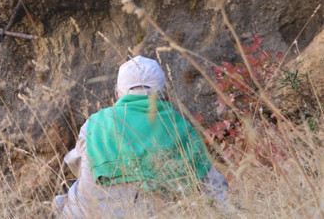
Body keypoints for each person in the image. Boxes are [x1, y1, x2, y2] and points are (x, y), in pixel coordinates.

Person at [53, 56, 229, 218]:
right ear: (165, 96)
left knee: (64, 197)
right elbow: (216, 190)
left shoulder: (94, 123)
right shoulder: (180, 128)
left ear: (117, 96)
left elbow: (77, 165)